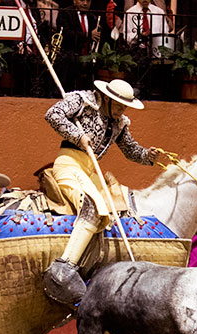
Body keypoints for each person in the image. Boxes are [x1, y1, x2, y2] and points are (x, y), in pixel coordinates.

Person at [43, 78, 163, 303]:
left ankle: (95, 266)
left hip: (90, 170)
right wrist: (78, 136)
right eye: (118, 105)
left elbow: (130, 150)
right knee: (94, 206)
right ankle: (64, 267)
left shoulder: (119, 123)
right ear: (106, 98)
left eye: (125, 106)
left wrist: (148, 156)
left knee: (121, 204)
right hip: (69, 163)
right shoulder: (82, 101)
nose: (122, 110)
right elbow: (53, 114)